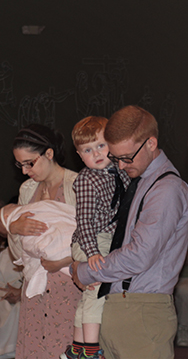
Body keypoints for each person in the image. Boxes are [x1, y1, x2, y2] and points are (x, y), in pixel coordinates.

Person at [72, 105, 188, 359]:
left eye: (127, 157)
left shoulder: (166, 189)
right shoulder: (139, 181)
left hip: (142, 312)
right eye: (115, 158)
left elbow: (139, 256)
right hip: (118, 307)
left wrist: (84, 270)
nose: (121, 166)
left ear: (151, 143)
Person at [5, 124, 81, 359]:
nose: (26, 171)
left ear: (49, 153)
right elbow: (19, 252)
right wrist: (15, 229)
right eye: (20, 165)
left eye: (30, 163)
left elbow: (93, 240)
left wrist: (64, 260)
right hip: (35, 289)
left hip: (68, 287)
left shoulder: (77, 185)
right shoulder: (27, 190)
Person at [61, 117, 129, 359]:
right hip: (92, 241)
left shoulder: (119, 173)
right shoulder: (87, 180)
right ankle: (90, 351)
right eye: (88, 150)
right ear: (80, 156)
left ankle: (77, 349)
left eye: (101, 145)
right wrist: (92, 253)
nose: (97, 154)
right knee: (98, 291)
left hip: (106, 240)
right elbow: (84, 222)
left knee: (89, 294)